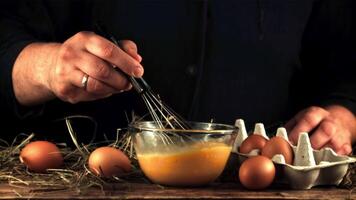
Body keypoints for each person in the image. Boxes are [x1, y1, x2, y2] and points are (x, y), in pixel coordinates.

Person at [0, 0, 355, 155]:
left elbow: (345, 66)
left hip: (262, 183)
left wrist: (342, 117)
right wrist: (47, 66)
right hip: (94, 182)